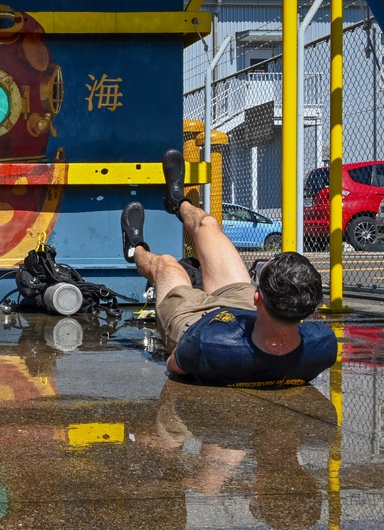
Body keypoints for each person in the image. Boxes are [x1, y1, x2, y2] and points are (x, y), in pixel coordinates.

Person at [120, 149, 337, 387]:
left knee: (166, 265)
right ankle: (177, 202)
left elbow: (174, 365)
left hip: (193, 322)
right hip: (250, 314)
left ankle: (134, 249)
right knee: (208, 224)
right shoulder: (323, 343)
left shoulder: (208, 344)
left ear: (258, 296)